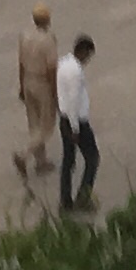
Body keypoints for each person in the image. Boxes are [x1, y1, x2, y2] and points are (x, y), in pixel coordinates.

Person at [13, 5, 59, 193]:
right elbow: (51, 69)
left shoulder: (25, 35)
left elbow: (21, 62)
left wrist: (22, 85)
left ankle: (41, 161)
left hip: (28, 80)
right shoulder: (48, 40)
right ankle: (24, 155)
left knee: (33, 122)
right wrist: (55, 93)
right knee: (46, 125)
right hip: (42, 84)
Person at [54, 35, 99, 213]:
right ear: (82, 51)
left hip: (64, 118)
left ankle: (65, 200)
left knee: (68, 161)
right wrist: (75, 128)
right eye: (88, 55)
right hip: (76, 122)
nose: (87, 60)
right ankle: (83, 197)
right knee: (92, 158)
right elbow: (73, 100)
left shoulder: (63, 63)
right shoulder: (75, 72)